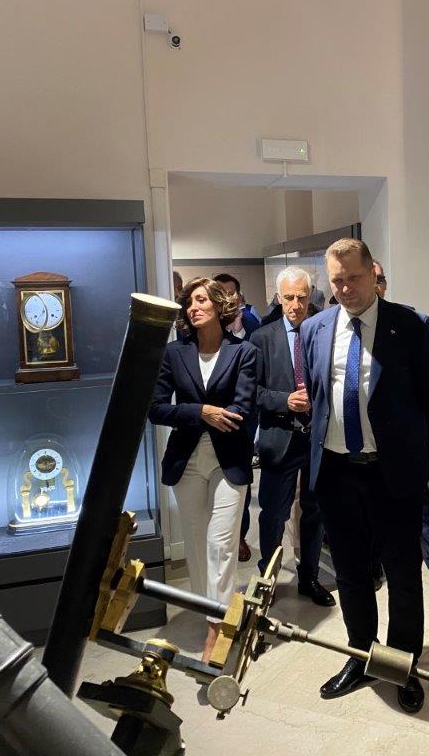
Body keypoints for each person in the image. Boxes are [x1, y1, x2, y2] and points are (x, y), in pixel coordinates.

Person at [300, 238, 429, 713]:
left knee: (403, 575)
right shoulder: (315, 328)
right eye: (337, 281)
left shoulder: (411, 325)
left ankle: (402, 664)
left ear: (373, 274)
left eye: (354, 278)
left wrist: (401, 442)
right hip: (336, 473)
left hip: (391, 473)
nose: (345, 288)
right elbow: (318, 396)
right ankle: (361, 655)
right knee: (350, 573)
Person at [148, 277, 258, 662]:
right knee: (196, 545)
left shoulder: (244, 352)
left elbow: (243, 408)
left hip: (229, 458)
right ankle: (210, 609)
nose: (192, 308)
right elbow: (156, 408)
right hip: (187, 458)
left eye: (200, 300)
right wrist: (202, 412)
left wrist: (211, 414)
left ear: (218, 305)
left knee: (221, 543)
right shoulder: (173, 353)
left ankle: (218, 627)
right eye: (188, 302)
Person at [250, 266, 335, 608]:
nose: (295, 305)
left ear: (310, 296)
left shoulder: (323, 332)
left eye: (301, 297)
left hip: (317, 440)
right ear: (278, 297)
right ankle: (267, 580)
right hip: (280, 438)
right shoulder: (262, 338)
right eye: (288, 297)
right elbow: (251, 392)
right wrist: (283, 400)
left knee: (314, 512)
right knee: (273, 514)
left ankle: (309, 578)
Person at [372, 260, 429, 599]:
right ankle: (375, 568)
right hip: (363, 450)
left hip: (404, 446)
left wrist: (415, 432)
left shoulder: (411, 323)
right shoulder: (341, 329)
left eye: (379, 278)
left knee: (422, 507)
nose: (374, 285)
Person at [214, 272, 261, 563]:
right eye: (221, 292)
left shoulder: (254, 325)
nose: (227, 298)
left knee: (238, 478)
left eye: (231, 292)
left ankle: (240, 535)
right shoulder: (201, 328)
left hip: (243, 418)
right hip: (210, 416)